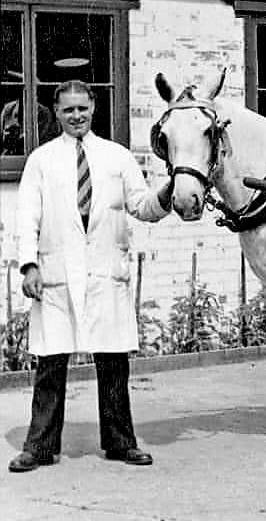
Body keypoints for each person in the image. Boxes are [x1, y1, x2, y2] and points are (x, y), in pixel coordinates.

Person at [9, 80, 173, 473]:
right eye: (68, 110)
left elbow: (141, 204)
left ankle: (120, 442)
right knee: (51, 360)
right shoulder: (41, 160)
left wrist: (170, 191)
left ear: (94, 107)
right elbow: (27, 216)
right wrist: (29, 264)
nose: (76, 116)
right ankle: (40, 446)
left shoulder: (116, 156)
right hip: (57, 271)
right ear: (57, 112)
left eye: (82, 108)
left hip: (104, 271)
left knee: (113, 360)